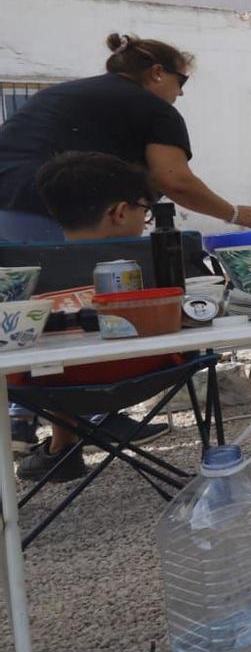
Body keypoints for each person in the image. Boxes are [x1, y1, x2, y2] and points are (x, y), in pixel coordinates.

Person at [0, 34, 251, 242]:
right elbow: (175, 180)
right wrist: (234, 213)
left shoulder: (65, 94)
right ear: (157, 72)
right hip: (49, 207)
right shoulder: (156, 109)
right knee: (75, 290)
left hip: (8, 201)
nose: (180, 94)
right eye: (181, 82)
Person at [16, 153, 175, 481]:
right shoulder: (164, 253)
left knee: (56, 350)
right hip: (153, 370)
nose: (146, 222)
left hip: (45, 386)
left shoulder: (21, 268)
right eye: (144, 211)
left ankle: (62, 447)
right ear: (119, 211)